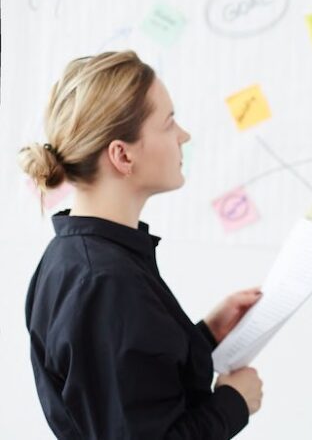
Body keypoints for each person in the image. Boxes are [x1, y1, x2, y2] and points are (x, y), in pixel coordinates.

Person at [21, 51, 265, 439]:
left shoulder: (84, 259)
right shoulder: (102, 282)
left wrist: (204, 335)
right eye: (168, 122)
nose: (183, 135)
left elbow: (134, 387)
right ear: (122, 154)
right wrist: (234, 403)